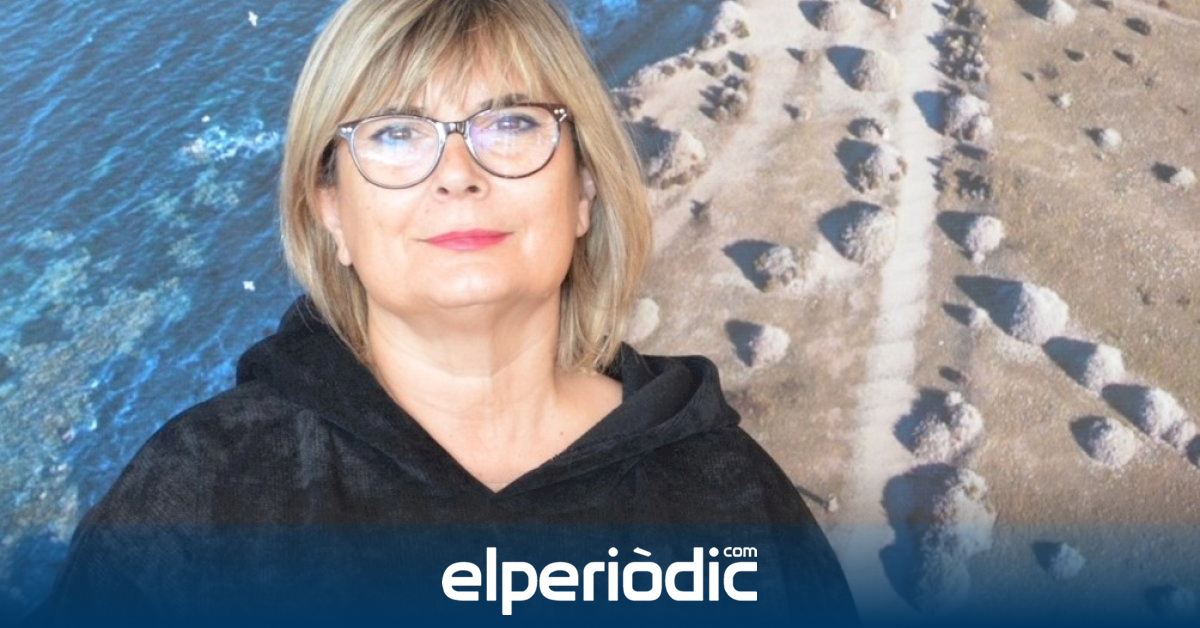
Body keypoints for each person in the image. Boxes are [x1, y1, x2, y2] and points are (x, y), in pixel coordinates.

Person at [22, 0, 859, 625]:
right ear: (330, 210)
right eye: (395, 134)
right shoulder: (204, 495)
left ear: (584, 190)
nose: (458, 173)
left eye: (511, 123)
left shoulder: (726, 498)